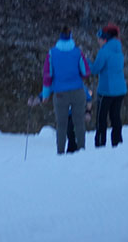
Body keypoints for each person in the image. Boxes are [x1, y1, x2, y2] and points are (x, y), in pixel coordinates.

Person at [29, 26, 91, 154]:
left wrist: (45, 95)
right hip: (77, 91)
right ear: (71, 38)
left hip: (60, 94)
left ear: (59, 38)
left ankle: (60, 152)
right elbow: (86, 72)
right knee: (79, 123)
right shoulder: (77, 52)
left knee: (61, 124)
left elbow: (47, 76)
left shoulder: (52, 53)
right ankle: (82, 150)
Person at [89, 22, 127, 147]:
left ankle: (100, 143)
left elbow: (95, 69)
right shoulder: (118, 50)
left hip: (106, 91)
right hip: (120, 90)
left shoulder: (104, 51)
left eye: (99, 38)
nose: (98, 41)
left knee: (101, 118)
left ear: (105, 39)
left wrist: (86, 61)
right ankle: (117, 142)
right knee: (115, 117)